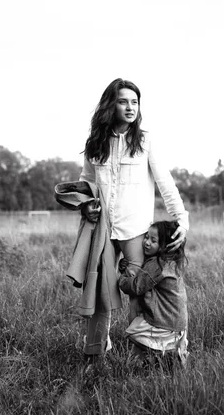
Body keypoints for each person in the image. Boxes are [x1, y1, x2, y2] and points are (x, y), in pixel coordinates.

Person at [79, 78, 189, 358]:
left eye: (135, 102)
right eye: (123, 101)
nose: (130, 107)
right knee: (100, 289)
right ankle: (96, 351)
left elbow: (165, 183)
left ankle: (141, 354)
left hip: (135, 231)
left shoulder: (145, 141)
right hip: (103, 230)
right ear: (110, 105)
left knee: (138, 294)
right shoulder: (95, 143)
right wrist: (85, 206)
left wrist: (182, 219)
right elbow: (85, 182)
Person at [118, 220, 188, 366]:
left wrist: (123, 277)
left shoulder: (157, 265)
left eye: (153, 240)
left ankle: (152, 359)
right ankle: (170, 354)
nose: (146, 242)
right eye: (146, 237)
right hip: (178, 323)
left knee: (134, 332)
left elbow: (136, 286)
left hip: (164, 324)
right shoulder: (171, 262)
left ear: (165, 245)